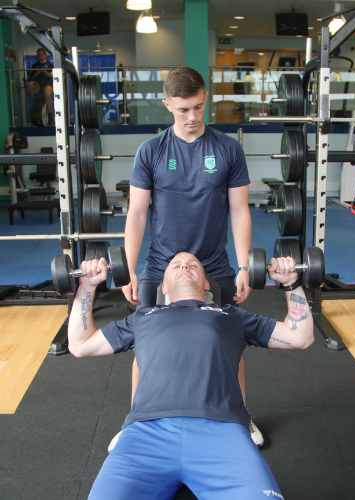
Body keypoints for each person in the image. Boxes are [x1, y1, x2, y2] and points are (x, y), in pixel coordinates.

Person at [69, 252, 313, 499]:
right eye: (175, 264)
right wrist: (87, 286)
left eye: (193, 263)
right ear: (163, 286)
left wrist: (291, 283)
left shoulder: (232, 316)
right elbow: (81, 345)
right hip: (146, 436)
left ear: (206, 284)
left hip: (223, 434)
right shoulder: (141, 318)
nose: (184, 265)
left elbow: (299, 337)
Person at [117, 65, 259, 449]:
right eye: (183, 110)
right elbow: (137, 213)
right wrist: (129, 269)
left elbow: (240, 210)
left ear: (206, 97)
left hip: (214, 264)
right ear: (167, 104)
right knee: (144, 343)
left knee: (232, 342)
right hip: (160, 264)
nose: (193, 117)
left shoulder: (228, 148)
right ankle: (136, 422)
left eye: (198, 107)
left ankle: (241, 417)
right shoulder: (151, 150)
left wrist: (244, 264)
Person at [26, 48, 53, 124]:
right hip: (38, 82)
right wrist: (37, 73)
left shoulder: (50, 64)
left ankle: (50, 115)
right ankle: (37, 101)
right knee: (29, 85)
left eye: (42, 54)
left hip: (48, 82)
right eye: (39, 55)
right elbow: (32, 77)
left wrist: (46, 73)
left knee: (47, 95)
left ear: (45, 55)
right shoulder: (35, 65)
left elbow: (54, 76)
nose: (41, 56)